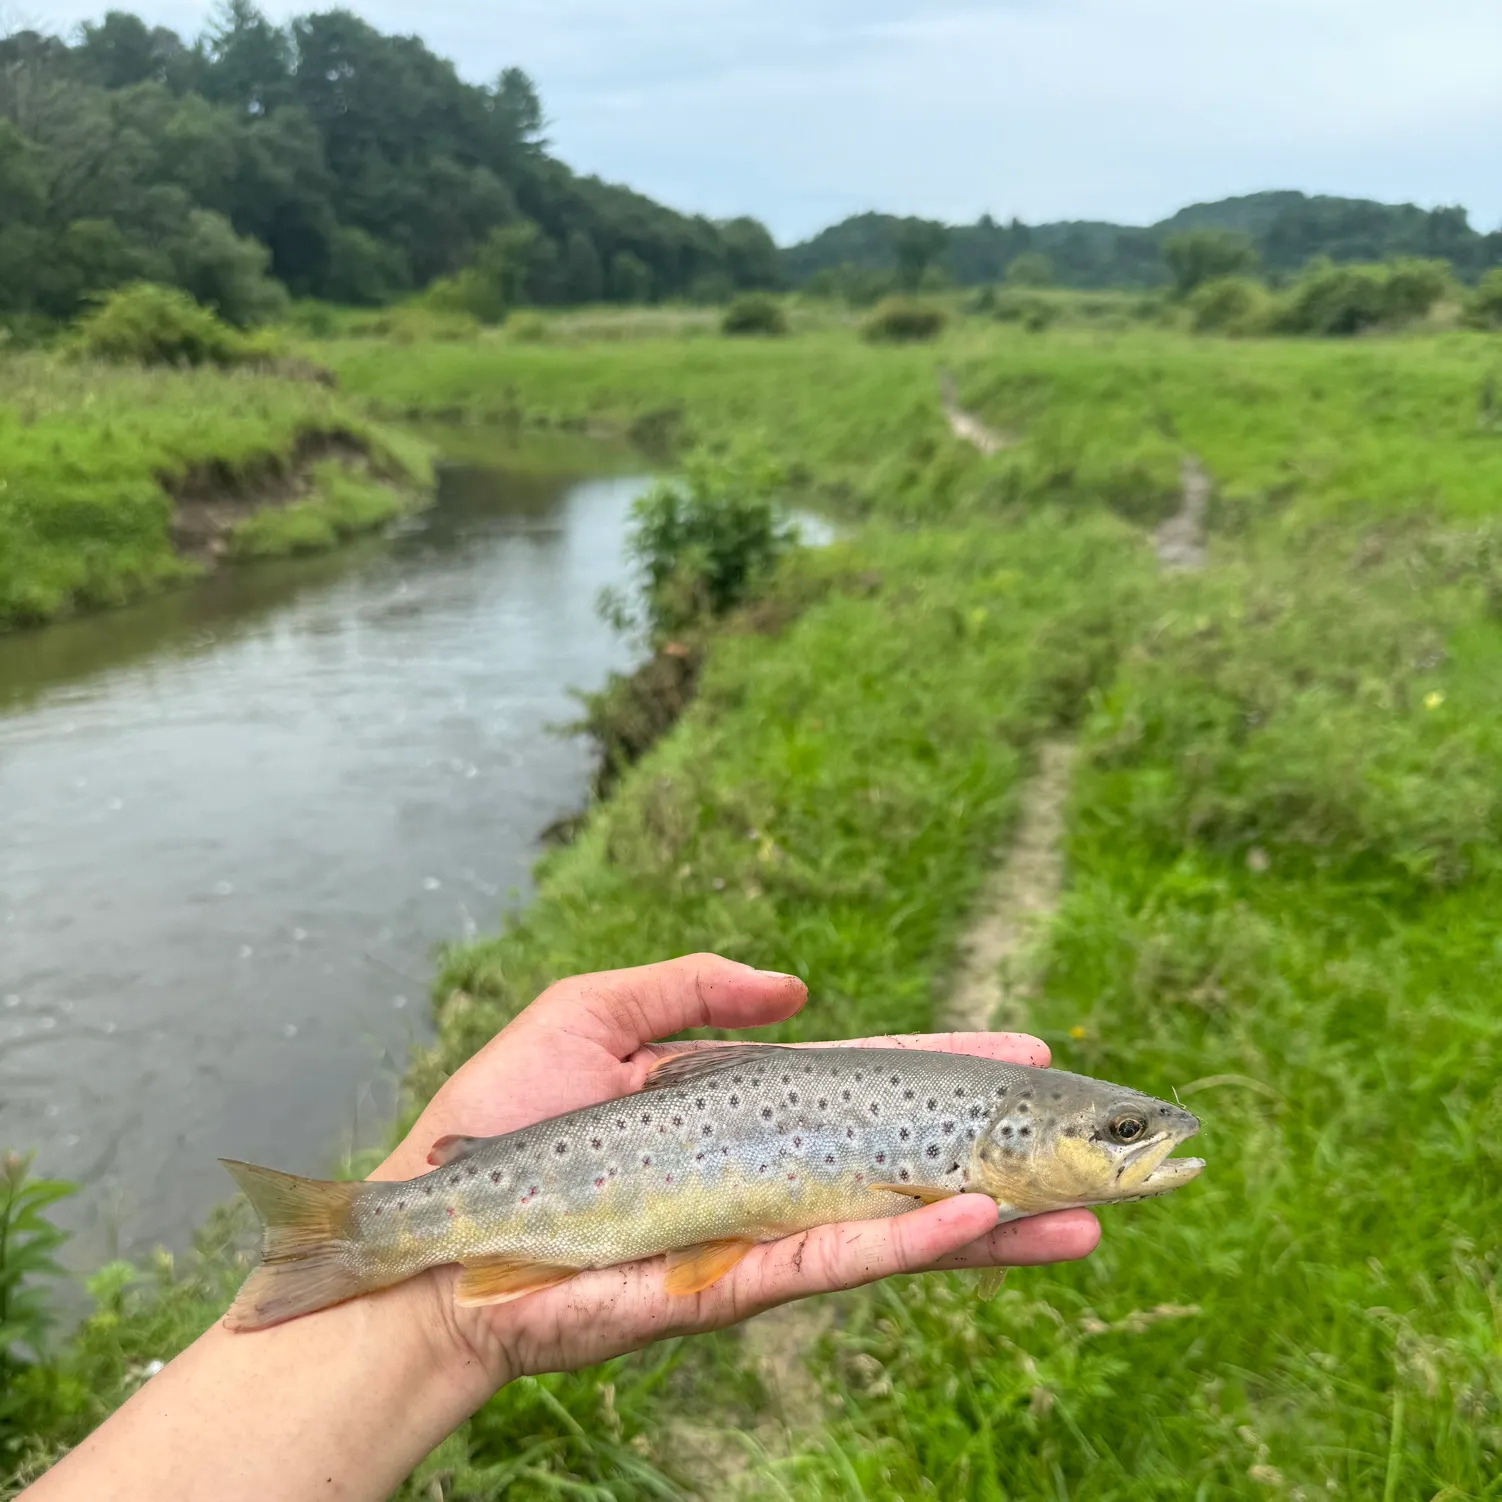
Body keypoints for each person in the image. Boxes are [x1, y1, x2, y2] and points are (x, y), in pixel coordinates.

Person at [23, 954, 1100, 1501]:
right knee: (394, 1230)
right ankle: (360, 1234)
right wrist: (428, 1303)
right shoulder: (974, 1149)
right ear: (1017, 1132)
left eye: (1119, 1131)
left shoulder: (975, 1157)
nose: (1140, 1144)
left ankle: (360, 1238)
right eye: (1120, 1132)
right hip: (505, 1203)